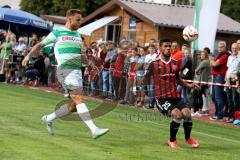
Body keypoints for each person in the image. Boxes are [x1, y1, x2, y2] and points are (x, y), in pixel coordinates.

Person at [22, 9, 109, 138]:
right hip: (65, 71)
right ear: (69, 19)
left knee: (74, 106)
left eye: (81, 20)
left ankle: (49, 118)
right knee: (79, 99)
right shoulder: (57, 32)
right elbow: (40, 45)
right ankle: (94, 129)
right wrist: (28, 56)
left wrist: (91, 65)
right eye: (78, 20)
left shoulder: (78, 36)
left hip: (77, 72)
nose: (80, 22)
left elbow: (81, 56)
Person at [141, 39, 200, 149]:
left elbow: (177, 79)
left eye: (170, 46)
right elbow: (145, 80)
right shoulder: (153, 64)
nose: (168, 48)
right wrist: (143, 91)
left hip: (175, 96)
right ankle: (172, 140)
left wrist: (189, 85)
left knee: (187, 113)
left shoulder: (176, 63)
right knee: (177, 114)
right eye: (166, 46)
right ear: (160, 48)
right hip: (162, 98)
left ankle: (188, 139)